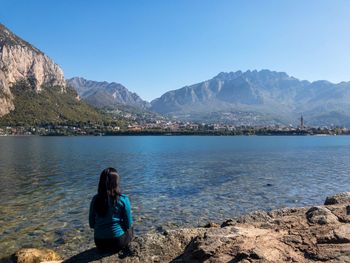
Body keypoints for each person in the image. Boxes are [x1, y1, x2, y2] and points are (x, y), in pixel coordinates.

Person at [89, 167, 133, 252]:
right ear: (116, 182)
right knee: (131, 228)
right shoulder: (123, 199)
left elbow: (91, 224)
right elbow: (128, 224)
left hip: (99, 242)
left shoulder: (95, 199)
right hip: (117, 242)